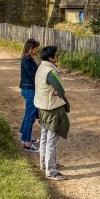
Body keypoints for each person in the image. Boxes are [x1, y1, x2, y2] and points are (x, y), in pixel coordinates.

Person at [34, 46, 70, 181]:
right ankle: (51, 171)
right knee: (52, 140)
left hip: (42, 107)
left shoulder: (41, 68)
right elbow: (61, 91)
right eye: (56, 55)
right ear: (51, 57)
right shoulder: (51, 71)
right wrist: (57, 91)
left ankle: (44, 163)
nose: (57, 57)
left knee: (44, 136)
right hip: (53, 109)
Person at [19, 38, 40, 152]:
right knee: (30, 117)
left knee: (28, 114)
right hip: (29, 90)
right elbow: (34, 75)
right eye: (36, 48)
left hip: (29, 89)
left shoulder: (29, 58)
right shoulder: (27, 60)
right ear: (31, 49)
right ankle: (27, 143)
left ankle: (24, 134)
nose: (37, 50)